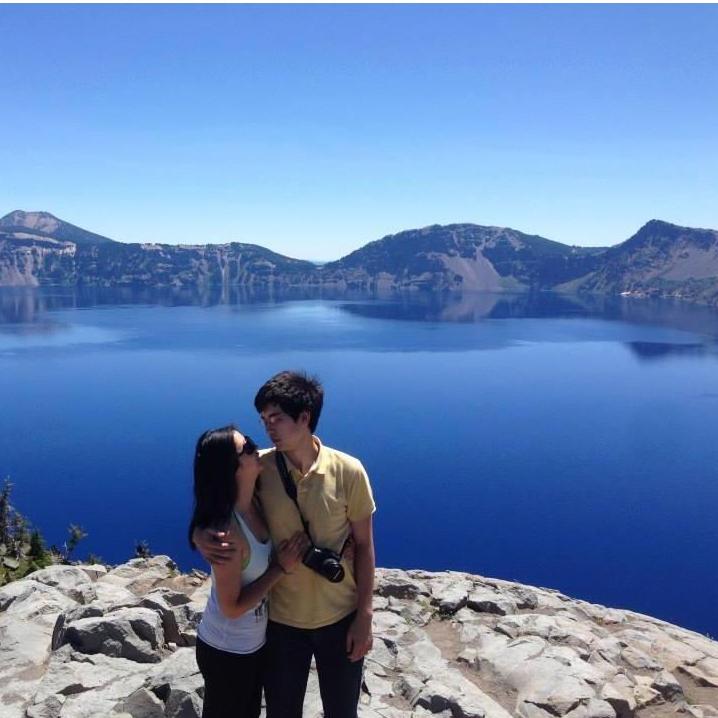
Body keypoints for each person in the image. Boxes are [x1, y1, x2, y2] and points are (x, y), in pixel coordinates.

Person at [194, 371, 377, 718]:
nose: (267, 428)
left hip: (339, 618)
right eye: (263, 419)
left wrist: (364, 616)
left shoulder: (349, 472)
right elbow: (217, 496)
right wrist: (200, 535)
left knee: (342, 712)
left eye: (276, 418)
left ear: (304, 418)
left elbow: (365, 546)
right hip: (280, 627)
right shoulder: (258, 467)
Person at [189, 425, 308, 718]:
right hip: (226, 649)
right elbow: (231, 608)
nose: (259, 450)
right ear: (232, 468)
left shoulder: (253, 502)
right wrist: (281, 567)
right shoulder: (226, 534)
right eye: (250, 447)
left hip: (252, 646)